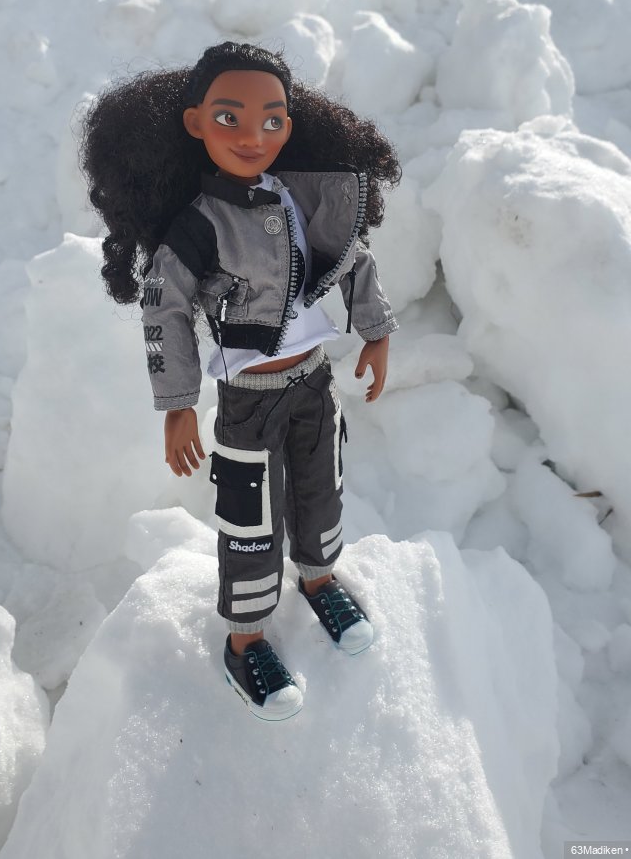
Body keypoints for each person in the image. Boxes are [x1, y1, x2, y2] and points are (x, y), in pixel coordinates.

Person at [81, 41, 401, 721]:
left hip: (314, 381)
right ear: (196, 123)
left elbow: (351, 255)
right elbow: (164, 306)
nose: (254, 136)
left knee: (320, 487)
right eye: (230, 119)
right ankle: (246, 639)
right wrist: (177, 404)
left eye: (272, 120)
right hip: (248, 399)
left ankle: (318, 579)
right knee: (250, 516)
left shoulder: (301, 194)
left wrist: (375, 328)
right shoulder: (200, 224)